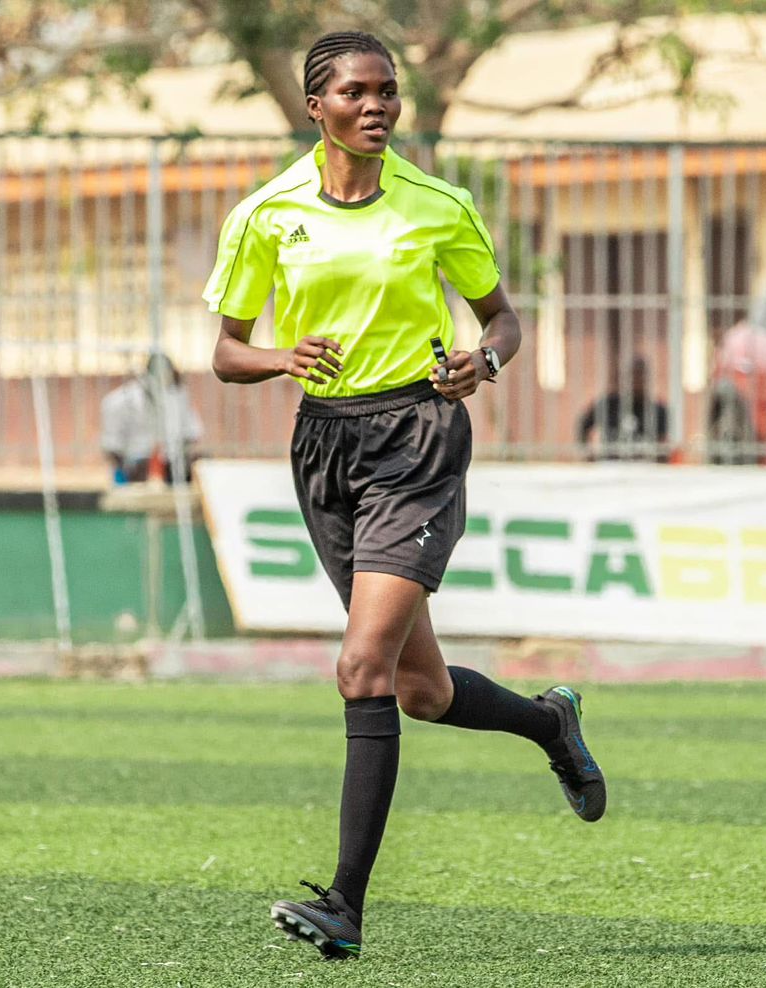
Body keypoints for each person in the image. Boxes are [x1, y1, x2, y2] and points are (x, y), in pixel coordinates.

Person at [203, 31, 606, 962]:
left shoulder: (438, 205)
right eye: (357, 92)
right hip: (322, 444)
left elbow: (501, 318)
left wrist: (486, 360)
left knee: (359, 669)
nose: (378, 105)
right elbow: (226, 351)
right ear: (318, 107)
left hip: (418, 436)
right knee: (420, 690)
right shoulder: (267, 214)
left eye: (388, 91)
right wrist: (279, 358)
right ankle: (551, 721)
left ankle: (344, 904)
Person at [99, 353, 203, 483]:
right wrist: (126, 471)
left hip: (169, 464)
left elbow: (192, 432)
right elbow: (112, 446)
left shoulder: (177, 396)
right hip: (135, 467)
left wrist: (176, 457)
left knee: (199, 461)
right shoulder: (122, 402)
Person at [578, 355, 670, 462]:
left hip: (645, 469)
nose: (636, 382)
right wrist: (589, 456)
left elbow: (663, 446)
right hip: (610, 467)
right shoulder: (607, 404)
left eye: (640, 377)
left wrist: (658, 466)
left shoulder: (658, 409)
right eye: (633, 377)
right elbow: (583, 425)